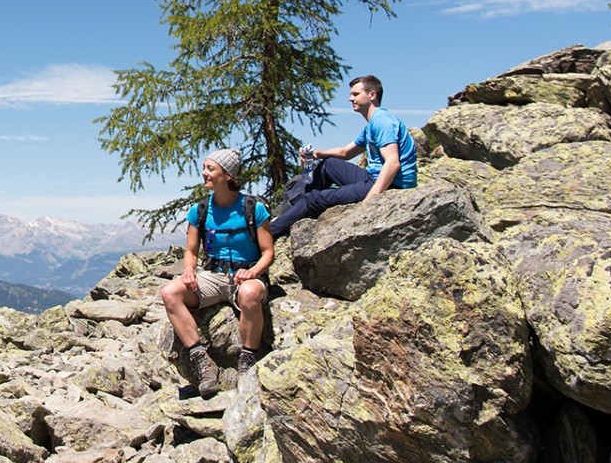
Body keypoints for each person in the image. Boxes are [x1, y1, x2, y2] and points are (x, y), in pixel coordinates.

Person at [159, 148, 274, 396]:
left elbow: (268, 252)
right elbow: (190, 251)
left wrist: (253, 272)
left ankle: (247, 361)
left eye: (210, 169)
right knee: (170, 293)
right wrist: (189, 271)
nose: (204, 173)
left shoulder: (253, 208)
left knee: (250, 294)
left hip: (248, 275)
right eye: (204, 168)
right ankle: (201, 359)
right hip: (214, 275)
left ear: (228, 175)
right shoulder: (199, 211)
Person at [267, 74, 418, 238]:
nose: (350, 98)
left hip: (391, 185)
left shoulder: (382, 122)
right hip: (374, 177)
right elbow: (346, 153)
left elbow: (393, 163)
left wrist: (370, 201)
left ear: (372, 95)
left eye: (355, 94)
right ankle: (291, 206)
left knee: (314, 199)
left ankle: (267, 234)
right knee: (329, 165)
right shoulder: (374, 123)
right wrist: (316, 154)